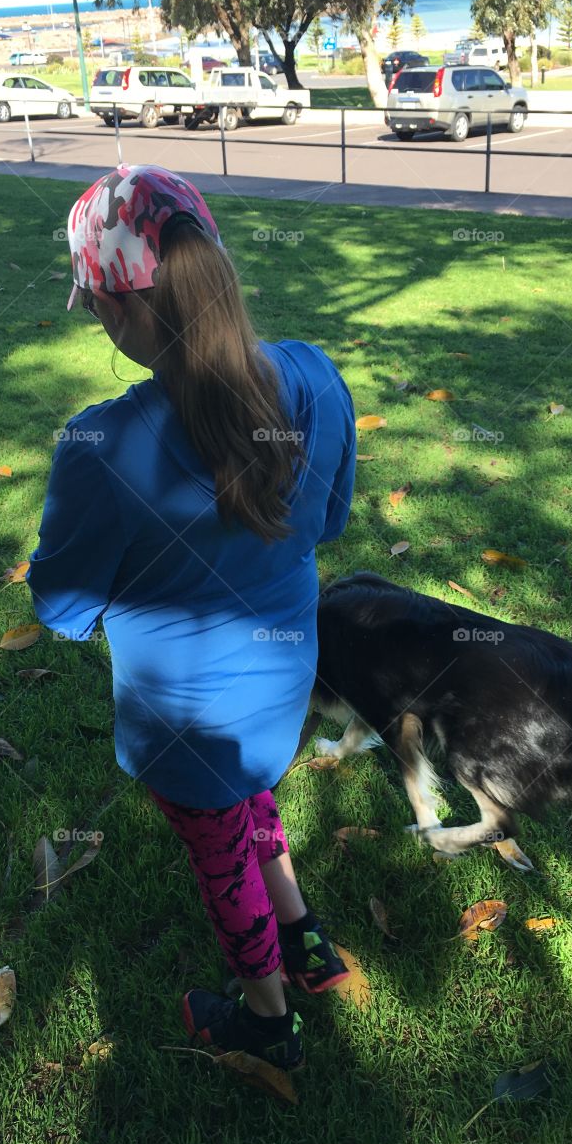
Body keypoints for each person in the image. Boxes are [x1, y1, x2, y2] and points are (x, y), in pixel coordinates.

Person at [25, 164, 357, 1072]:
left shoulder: (101, 445)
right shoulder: (315, 381)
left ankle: (266, 1022)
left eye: (94, 308)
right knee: (251, 802)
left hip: (187, 730)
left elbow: (60, 609)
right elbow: (325, 519)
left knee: (221, 863)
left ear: (123, 312)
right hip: (280, 691)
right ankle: (307, 937)